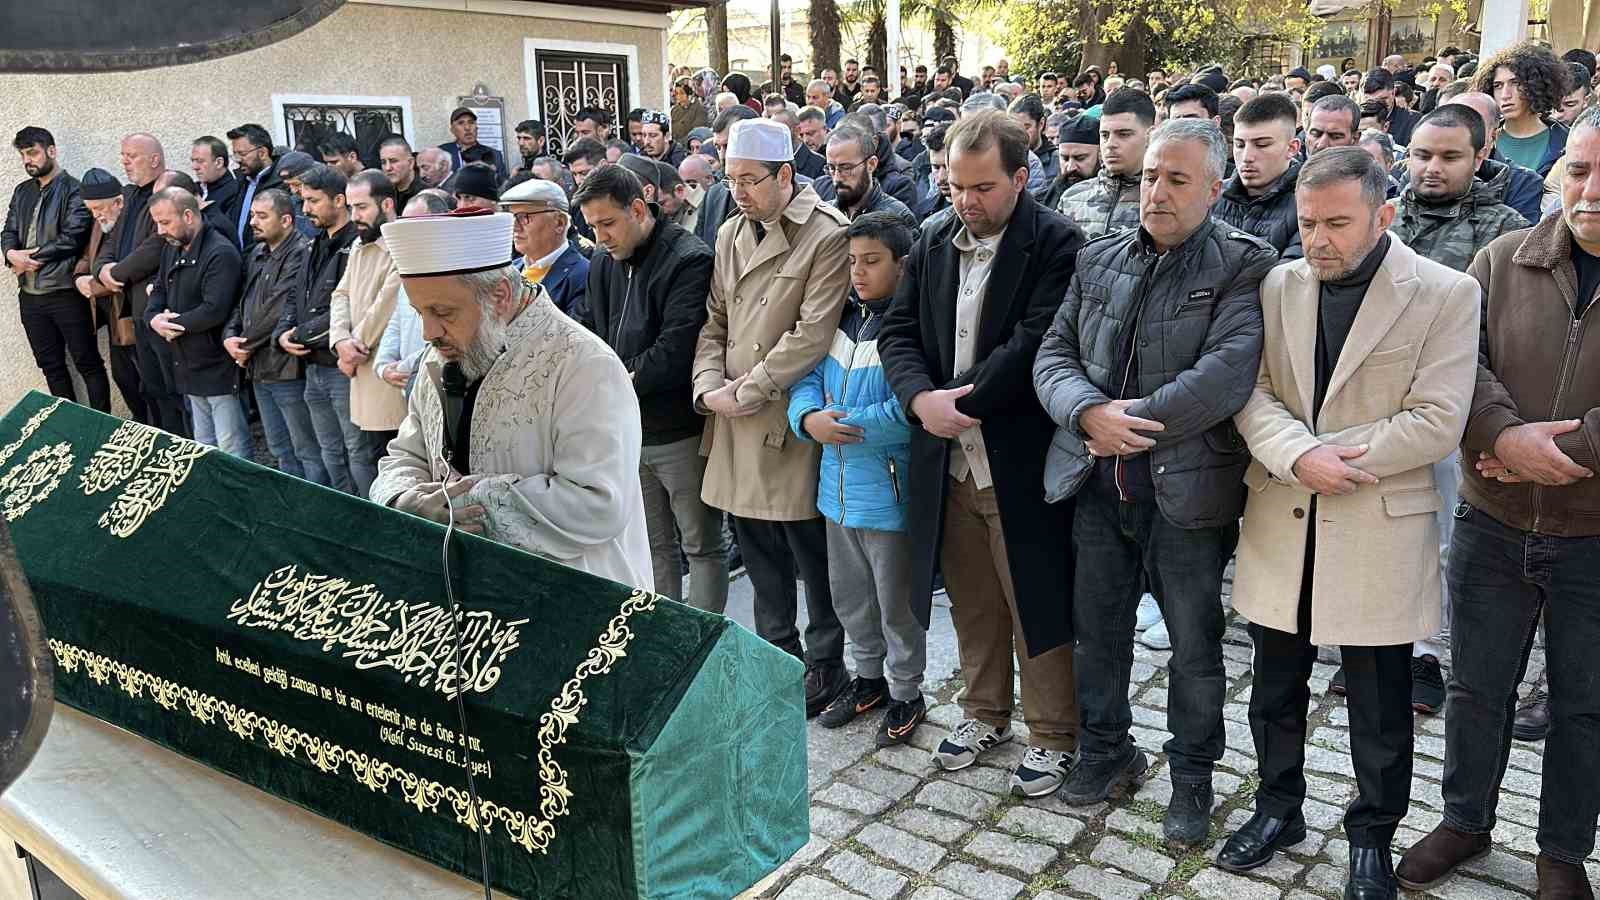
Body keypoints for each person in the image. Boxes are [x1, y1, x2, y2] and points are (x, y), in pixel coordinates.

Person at [1225, 145, 1479, 899]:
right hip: (1285, 510)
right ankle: (1279, 809)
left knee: (1378, 701)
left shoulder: (1447, 293)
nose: (1319, 240)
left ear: (1384, 214)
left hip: (1378, 517)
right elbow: (1255, 392)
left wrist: (1324, 456)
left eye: (1338, 223)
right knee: (1274, 686)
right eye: (1307, 223)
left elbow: (1438, 419)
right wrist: (1298, 458)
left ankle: (1371, 835)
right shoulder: (1279, 284)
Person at [1034, 118, 1276, 838]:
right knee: (1097, 631)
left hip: (1187, 491)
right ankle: (1108, 751)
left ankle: (1192, 778)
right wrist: (1085, 415)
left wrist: (1126, 422)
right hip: (1097, 483)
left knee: (1195, 648)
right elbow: (1053, 353)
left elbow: (1227, 373)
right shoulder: (1098, 257)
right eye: (1150, 177)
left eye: (1177, 179)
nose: (1158, 192)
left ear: (1214, 187)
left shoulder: (1245, 263)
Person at [1394, 105, 1600, 900]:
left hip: (1593, 532)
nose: (1590, 190)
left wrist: (1568, 452)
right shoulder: (1502, 258)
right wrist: (1504, 437)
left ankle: (1562, 853)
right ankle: (1464, 821)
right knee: (1476, 687)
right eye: (1578, 170)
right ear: (1557, 174)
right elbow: (1454, 363)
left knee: (1585, 704)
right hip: (1492, 519)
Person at [878, 109, 1085, 797]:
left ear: (1022, 178)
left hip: (1017, 455)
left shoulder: (1057, 243)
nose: (966, 201)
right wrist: (918, 400)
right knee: (971, 598)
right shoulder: (935, 238)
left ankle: (1055, 733)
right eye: (955, 186)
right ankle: (984, 711)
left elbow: (1034, 342)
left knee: (1036, 597)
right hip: (946, 459)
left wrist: (958, 402)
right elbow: (898, 332)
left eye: (983, 187)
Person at [373, 208, 652, 588]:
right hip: (468, 594)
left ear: (500, 296)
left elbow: (598, 503)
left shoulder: (584, 364)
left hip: (577, 596)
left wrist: (467, 505)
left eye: (442, 312)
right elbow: (407, 455)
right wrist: (406, 501)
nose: (428, 331)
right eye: (420, 311)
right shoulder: (440, 358)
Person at [691, 117, 851, 716]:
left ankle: (826, 663)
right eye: (730, 178)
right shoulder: (732, 231)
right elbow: (714, 321)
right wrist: (709, 386)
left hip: (787, 414)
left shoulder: (826, 234)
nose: (738, 191)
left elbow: (813, 332)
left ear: (786, 174)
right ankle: (776, 655)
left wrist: (750, 389)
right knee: (757, 553)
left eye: (750, 179)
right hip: (732, 413)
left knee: (811, 554)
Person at [790, 211, 926, 746]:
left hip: (887, 493)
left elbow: (907, 410)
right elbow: (807, 379)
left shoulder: (911, 324)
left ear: (902, 264)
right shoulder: (843, 322)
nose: (859, 274)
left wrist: (841, 425)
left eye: (871, 262)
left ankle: (906, 689)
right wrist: (807, 419)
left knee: (896, 602)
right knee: (850, 597)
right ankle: (867, 678)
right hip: (836, 491)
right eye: (852, 262)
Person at [572, 164, 726, 610]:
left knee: (700, 545)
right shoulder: (604, 260)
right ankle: (660, 635)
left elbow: (675, 351)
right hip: (626, 430)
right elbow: (592, 331)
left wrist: (609, 382)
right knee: (649, 544)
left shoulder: (687, 258)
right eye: (593, 226)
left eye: (607, 223)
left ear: (638, 209)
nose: (600, 236)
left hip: (678, 430)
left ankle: (702, 645)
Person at [3, 126, 109, 411]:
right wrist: (11, 253)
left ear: (52, 151)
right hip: (30, 296)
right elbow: (9, 231)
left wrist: (28, 259)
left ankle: (102, 428)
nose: (28, 160)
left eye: (33, 152)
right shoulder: (22, 191)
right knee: (50, 366)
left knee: (88, 363)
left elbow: (72, 237)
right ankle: (69, 429)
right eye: (24, 154)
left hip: (65, 292)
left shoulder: (74, 189)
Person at [225, 189, 327, 484]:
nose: (253, 222)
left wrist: (243, 345)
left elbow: (279, 307)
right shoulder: (256, 253)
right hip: (258, 366)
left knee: (306, 448)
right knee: (279, 448)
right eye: (253, 215)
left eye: (262, 216)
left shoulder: (301, 251)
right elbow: (242, 302)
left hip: (287, 368)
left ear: (286, 220)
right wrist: (230, 337)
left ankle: (317, 507)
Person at [276, 163, 363, 495]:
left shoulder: (355, 244)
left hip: (342, 367)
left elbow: (346, 306)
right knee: (330, 450)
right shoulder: (314, 243)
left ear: (339, 200)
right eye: (303, 200)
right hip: (312, 366)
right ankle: (344, 513)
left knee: (357, 451)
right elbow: (295, 296)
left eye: (312, 201)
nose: (305, 208)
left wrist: (296, 335)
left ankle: (370, 518)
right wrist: (283, 331)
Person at [144, 187, 248, 455]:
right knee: (204, 446)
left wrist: (173, 325)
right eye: (157, 222)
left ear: (189, 215)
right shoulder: (172, 247)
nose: (159, 231)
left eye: (165, 222)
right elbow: (158, 290)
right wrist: (154, 319)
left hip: (217, 365)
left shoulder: (220, 252)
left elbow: (215, 309)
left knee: (231, 446)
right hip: (187, 362)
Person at [330, 169, 407, 471]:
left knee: (394, 467)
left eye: (361, 207)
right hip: (358, 372)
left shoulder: (401, 246)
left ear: (387, 205)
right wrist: (339, 340)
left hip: (385, 378)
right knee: (367, 461)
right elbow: (341, 294)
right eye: (350, 207)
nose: (353, 216)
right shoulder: (361, 246)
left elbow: (385, 307)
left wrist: (352, 350)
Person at [73, 168, 147, 422]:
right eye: (91, 209)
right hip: (113, 318)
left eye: (99, 209)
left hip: (132, 313)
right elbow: (88, 255)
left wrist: (92, 286)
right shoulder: (102, 219)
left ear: (118, 202)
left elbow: (124, 272)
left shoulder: (135, 220)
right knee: (124, 378)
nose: (96, 215)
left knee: (146, 384)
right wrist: (79, 277)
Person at [1214, 93, 1304, 257]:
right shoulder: (1211, 196)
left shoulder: (1309, 205)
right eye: (1239, 145)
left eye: (1262, 145)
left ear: (1292, 148)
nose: (1247, 157)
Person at [1057, 89, 1153, 238]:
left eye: (1123, 134)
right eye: (1105, 135)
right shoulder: (1072, 197)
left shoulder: (1163, 200)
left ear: (1150, 135)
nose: (1110, 144)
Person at [1444, 91, 1548, 225]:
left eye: (1470, 127)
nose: (1456, 134)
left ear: (1493, 136)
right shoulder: (1423, 169)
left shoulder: (1522, 183)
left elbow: (1517, 240)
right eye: (1449, 124)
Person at [1476, 42, 1571, 176]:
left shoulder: (1567, 141)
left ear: (1537, 85)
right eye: (1498, 86)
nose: (1505, 95)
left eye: (1515, 83)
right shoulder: (1479, 140)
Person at [499, 178, 588, 317]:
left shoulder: (582, 275)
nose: (515, 227)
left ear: (559, 223)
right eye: (512, 217)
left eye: (523, 217)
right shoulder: (510, 270)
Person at [825, 126, 916, 225]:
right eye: (831, 168)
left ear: (871, 164)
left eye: (846, 168)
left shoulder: (897, 218)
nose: (837, 178)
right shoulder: (825, 215)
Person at [226, 123, 284, 251]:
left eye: (242, 153)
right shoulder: (241, 182)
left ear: (262, 153)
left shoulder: (282, 185)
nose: (237, 160)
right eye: (235, 154)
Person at [190, 135, 243, 241]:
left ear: (219, 162)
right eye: (193, 160)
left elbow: (228, 233)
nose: (194, 167)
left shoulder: (234, 191)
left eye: (200, 161)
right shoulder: (195, 189)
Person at [1044, 116, 1100, 212]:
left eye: (1080, 158)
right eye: (1065, 159)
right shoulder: (1055, 190)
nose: (1070, 167)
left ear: (1100, 155)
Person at [439, 107, 509, 183]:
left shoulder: (495, 154)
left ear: (476, 127)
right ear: (452, 130)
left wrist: (493, 176)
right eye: (461, 123)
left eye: (471, 122)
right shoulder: (441, 153)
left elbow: (503, 187)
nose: (467, 127)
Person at [378, 135, 424, 213]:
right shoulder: (383, 195)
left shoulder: (425, 195)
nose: (388, 168)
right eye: (383, 162)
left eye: (393, 161)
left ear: (410, 163)